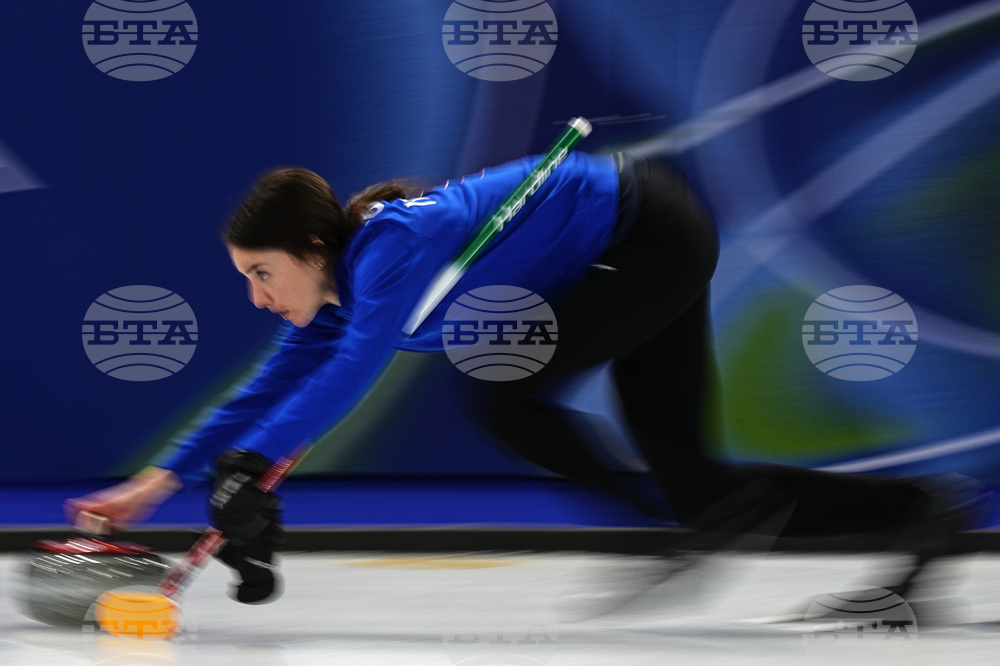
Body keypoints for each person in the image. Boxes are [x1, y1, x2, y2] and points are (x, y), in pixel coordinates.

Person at [66, 151, 978, 607]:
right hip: (625, 253)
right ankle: (921, 511)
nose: (259, 299)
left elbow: (350, 379)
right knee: (705, 493)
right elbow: (272, 385)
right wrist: (161, 479)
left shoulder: (388, 252)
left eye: (262, 275)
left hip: (644, 233)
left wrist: (250, 462)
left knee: (498, 393)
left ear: (312, 251)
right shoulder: (337, 293)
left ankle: (661, 530)